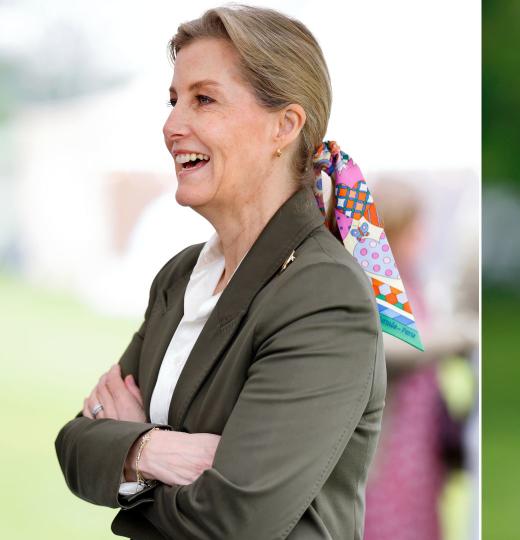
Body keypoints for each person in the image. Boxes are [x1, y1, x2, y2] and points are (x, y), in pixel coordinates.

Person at [55, 6, 422, 538]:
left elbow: (236, 520)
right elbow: (73, 444)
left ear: (284, 126)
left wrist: (128, 455)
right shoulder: (180, 277)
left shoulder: (322, 291)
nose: (172, 125)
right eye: (174, 100)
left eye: (204, 99)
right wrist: (154, 449)